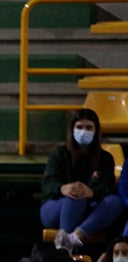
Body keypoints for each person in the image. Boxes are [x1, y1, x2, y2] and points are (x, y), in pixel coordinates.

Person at [40, 108, 121, 253]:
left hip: (89, 209)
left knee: (115, 202)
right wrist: (63, 188)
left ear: (96, 130)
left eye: (89, 127)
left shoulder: (106, 158)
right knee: (76, 195)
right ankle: (65, 249)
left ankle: (75, 237)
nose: (84, 131)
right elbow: (48, 184)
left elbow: (108, 187)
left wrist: (92, 192)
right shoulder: (59, 153)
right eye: (79, 127)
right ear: (72, 129)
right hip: (56, 207)